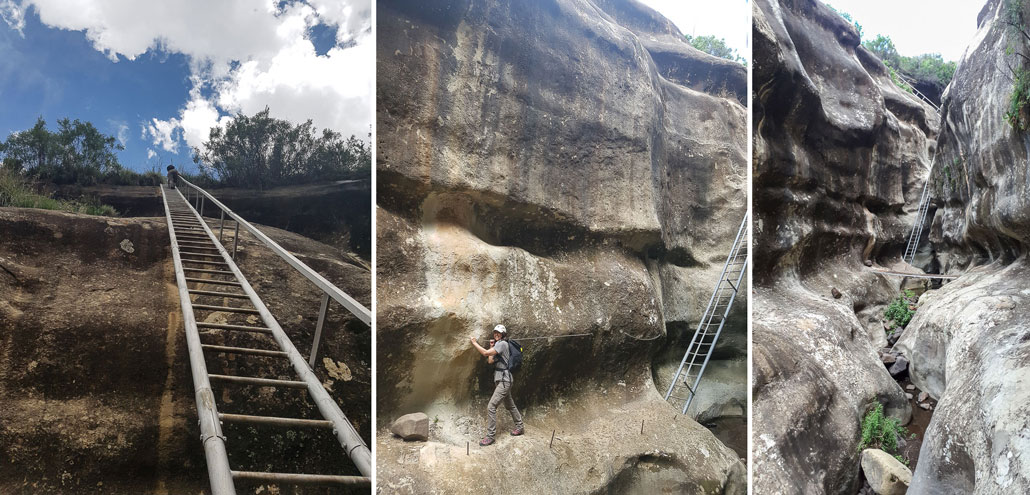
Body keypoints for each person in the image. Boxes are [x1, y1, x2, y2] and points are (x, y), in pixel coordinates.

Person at [470, 324, 524, 446]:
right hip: (502, 380)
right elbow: (490, 360)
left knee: (491, 406)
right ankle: (520, 427)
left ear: (503, 334)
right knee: (510, 405)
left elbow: (485, 353)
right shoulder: (498, 345)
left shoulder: (503, 344)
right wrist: (491, 346)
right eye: (495, 332)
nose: (496, 334)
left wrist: (474, 343)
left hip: (504, 380)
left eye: (498, 333)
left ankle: (490, 437)